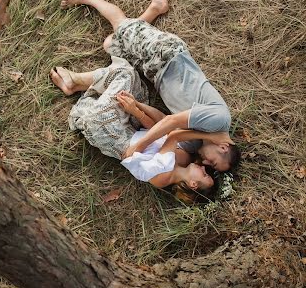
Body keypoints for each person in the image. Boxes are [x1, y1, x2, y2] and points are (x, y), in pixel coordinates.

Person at [58, 0, 240, 172]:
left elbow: (164, 125)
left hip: (154, 74)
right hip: (168, 56)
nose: (204, 163)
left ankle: (155, 9)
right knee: (121, 26)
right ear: (223, 147)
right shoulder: (219, 120)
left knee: (111, 45)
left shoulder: (195, 142)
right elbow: (171, 122)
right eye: (212, 163)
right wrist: (139, 146)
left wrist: (137, 108)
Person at [51, 57, 215, 194]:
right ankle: (80, 86)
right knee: (131, 81)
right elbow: (155, 132)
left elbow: (159, 140)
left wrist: (210, 136)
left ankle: (75, 83)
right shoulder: (182, 160)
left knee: (124, 75)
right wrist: (135, 108)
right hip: (131, 128)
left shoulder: (162, 176)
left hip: (112, 136)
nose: (204, 170)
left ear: (193, 184)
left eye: (205, 176)